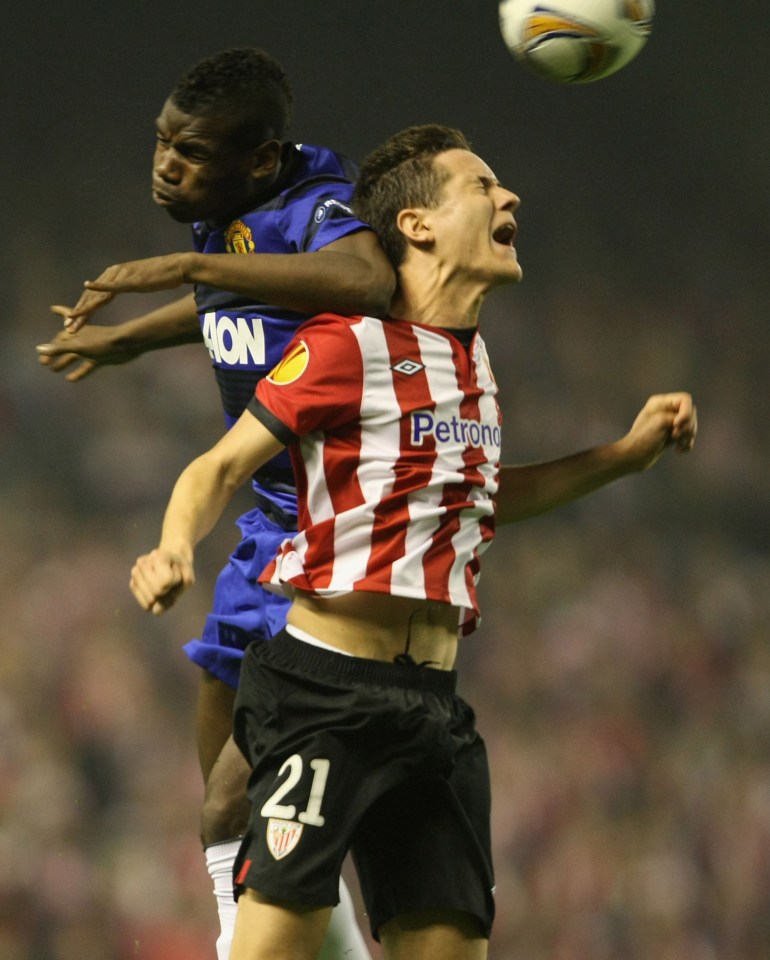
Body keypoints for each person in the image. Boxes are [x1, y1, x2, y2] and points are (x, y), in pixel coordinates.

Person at [128, 123, 698, 960]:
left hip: (434, 712)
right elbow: (215, 468)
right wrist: (174, 544)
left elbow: (481, 499)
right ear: (418, 225)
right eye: (482, 186)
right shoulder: (344, 346)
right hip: (324, 698)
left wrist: (622, 457)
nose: (508, 198)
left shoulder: (473, 364)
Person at [36, 48, 395, 960]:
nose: (166, 164)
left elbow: (365, 283)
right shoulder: (225, 215)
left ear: (262, 160)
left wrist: (177, 269)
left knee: (236, 804)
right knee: (227, 801)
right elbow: (224, 301)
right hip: (266, 525)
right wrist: (130, 342)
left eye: (190, 152)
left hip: (333, 532)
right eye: (161, 142)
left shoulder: (312, 202)